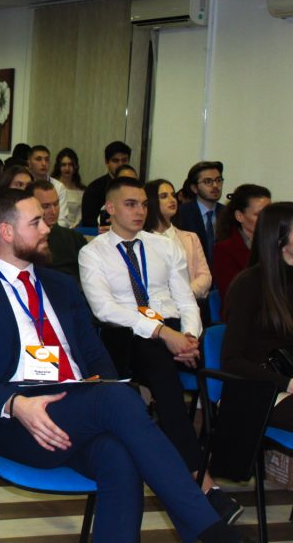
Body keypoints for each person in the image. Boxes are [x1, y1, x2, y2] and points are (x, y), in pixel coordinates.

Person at [0, 187, 244, 543]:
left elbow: (93, 351)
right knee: (117, 400)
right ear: (6, 231)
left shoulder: (61, 285)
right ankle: (209, 529)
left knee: (119, 456)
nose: (47, 227)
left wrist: (109, 390)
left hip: (80, 404)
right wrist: (13, 403)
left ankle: (203, 528)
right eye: (36, 222)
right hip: (20, 416)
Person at [78, 178, 240, 521]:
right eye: (130, 204)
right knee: (164, 375)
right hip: (128, 335)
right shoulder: (92, 252)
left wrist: (189, 336)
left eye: (143, 204)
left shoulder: (164, 246)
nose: (140, 211)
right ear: (110, 208)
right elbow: (104, 309)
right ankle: (203, 483)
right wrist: (163, 333)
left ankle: (227, 465)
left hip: (175, 329)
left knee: (227, 367)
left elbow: (186, 299)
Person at [221, 202, 293, 430]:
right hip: (258, 387)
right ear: (279, 238)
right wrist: (287, 383)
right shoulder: (249, 284)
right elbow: (231, 360)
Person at [145, 179, 212, 300]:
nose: (172, 200)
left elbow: (205, 276)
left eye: (173, 195)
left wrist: (184, 295)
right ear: (151, 202)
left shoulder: (190, 238)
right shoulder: (142, 239)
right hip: (154, 304)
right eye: (164, 196)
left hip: (189, 301)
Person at [212, 183, 271, 304]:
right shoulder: (224, 250)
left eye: (269, 213)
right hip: (245, 310)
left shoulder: (277, 243)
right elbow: (234, 295)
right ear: (239, 216)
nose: (267, 219)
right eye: (258, 215)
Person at [29, 180, 87, 282]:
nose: (53, 211)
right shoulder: (26, 243)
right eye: (45, 206)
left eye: (56, 204)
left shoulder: (75, 238)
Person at [174, 161, 226, 265]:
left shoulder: (228, 214)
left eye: (218, 180)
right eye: (208, 181)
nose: (215, 185)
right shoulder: (181, 214)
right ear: (194, 188)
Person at [80, 141, 131, 227]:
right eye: (115, 161)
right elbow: (88, 222)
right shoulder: (94, 189)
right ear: (107, 162)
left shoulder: (137, 188)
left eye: (124, 160)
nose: (120, 164)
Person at [26, 145, 69, 224]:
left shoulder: (58, 187)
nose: (44, 163)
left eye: (47, 160)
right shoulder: (24, 184)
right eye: (38, 159)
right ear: (29, 163)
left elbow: (62, 220)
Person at [52, 147, 84, 229]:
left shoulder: (81, 191)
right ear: (58, 166)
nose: (67, 168)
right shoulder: (52, 186)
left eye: (70, 165)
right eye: (63, 165)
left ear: (75, 166)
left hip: (74, 230)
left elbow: (80, 216)